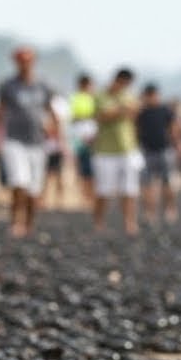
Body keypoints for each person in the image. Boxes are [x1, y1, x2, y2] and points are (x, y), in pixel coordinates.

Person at [0, 47, 57, 238]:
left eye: (28, 60)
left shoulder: (43, 86)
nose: (24, 64)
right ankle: (15, 223)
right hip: (15, 141)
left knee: (34, 189)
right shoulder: (8, 86)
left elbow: (51, 112)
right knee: (18, 182)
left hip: (37, 142)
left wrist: (54, 131)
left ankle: (29, 225)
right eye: (21, 60)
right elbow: (0, 112)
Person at [91, 67, 142, 236]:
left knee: (130, 190)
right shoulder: (101, 95)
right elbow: (103, 115)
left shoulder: (128, 96)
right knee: (103, 190)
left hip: (128, 149)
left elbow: (134, 113)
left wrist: (120, 110)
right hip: (105, 150)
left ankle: (130, 223)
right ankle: (99, 223)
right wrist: (122, 110)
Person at [136, 82, 178, 223]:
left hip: (164, 149)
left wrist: (177, 144)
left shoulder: (165, 110)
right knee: (146, 184)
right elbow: (136, 129)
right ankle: (150, 212)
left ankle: (170, 208)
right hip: (147, 150)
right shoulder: (141, 112)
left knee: (167, 182)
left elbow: (173, 128)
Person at [69, 74, 96, 205]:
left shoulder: (95, 98)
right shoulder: (75, 98)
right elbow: (73, 117)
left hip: (94, 139)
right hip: (79, 139)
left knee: (93, 170)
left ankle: (91, 196)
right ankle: (84, 196)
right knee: (83, 170)